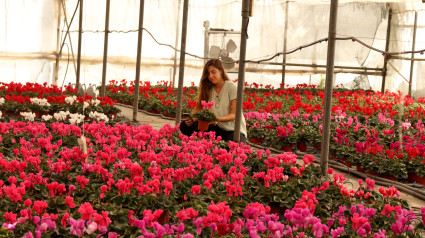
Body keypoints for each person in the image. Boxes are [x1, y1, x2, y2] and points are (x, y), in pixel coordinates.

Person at [180, 59, 247, 143]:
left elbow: (234, 115)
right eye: (208, 74)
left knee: (232, 147)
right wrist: (192, 119)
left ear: (221, 71)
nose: (210, 76)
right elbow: (201, 111)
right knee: (185, 125)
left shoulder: (231, 87)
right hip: (215, 127)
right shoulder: (209, 89)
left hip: (232, 129)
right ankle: (199, 144)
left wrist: (217, 119)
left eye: (213, 72)